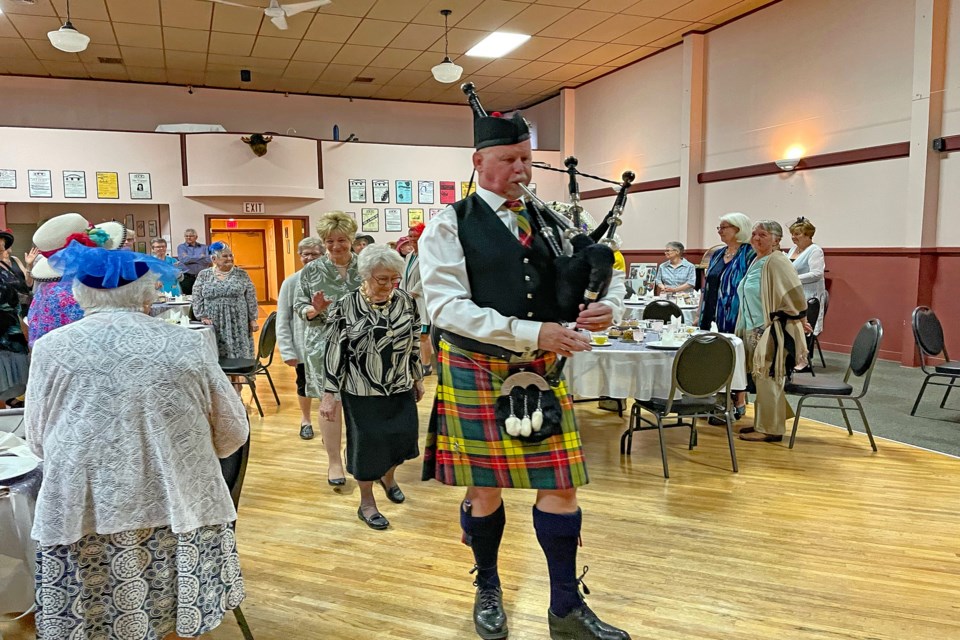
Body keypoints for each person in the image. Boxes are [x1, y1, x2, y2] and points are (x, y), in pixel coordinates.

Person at [419, 110, 631, 640]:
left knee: (561, 487)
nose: (520, 170)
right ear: (479, 161)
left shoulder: (552, 220)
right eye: (509, 160)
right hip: (477, 368)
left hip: (542, 369)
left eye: (527, 161)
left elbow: (601, 275)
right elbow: (445, 307)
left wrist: (609, 307)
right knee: (485, 490)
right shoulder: (450, 223)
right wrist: (532, 332)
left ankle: (565, 607)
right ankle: (488, 587)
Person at [25, 244, 249, 640]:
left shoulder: (50, 349)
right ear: (149, 291)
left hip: (86, 509)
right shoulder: (188, 343)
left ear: (80, 292)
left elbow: (38, 440)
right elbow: (232, 429)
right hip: (174, 505)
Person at [319, 245, 424, 530]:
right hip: (361, 389)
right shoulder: (346, 306)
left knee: (402, 438)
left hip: (399, 385)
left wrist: (417, 377)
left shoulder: (405, 301)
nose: (389, 285)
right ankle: (367, 501)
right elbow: (333, 352)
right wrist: (329, 394)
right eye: (382, 279)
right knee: (367, 445)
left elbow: (414, 341)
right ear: (366, 276)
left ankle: (388, 477)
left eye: (393, 279)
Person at [294, 212, 363, 487]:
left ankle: (359, 456)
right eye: (330, 241)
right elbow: (299, 306)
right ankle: (334, 461)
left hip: (362, 343)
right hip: (323, 344)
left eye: (342, 240)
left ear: (352, 239)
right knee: (330, 403)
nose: (336, 246)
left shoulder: (366, 266)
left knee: (360, 403)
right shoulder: (311, 270)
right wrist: (315, 309)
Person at [735, 220, 808, 443]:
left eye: (763, 235)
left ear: (776, 239)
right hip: (751, 326)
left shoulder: (777, 261)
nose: (756, 238)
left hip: (769, 329)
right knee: (760, 377)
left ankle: (771, 429)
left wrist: (797, 317)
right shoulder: (757, 260)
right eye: (754, 234)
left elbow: (795, 293)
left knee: (768, 376)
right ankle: (765, 421)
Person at [277, 237, 325, 440]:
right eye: (305, 254)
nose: (310, 258)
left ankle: (329, 423)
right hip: (303, 346)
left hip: (329, 345)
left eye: (314, 254)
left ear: (323, 256)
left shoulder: (330, 279)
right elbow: (283, 318)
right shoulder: (291, 282)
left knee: (330, 386)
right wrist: (287, 350)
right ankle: (306, 420)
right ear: (299, 257)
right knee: (303, 383)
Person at [193, 242, 259, 359]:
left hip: (238, 321)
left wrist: (253, 319)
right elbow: (197, 296)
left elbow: (251, 297)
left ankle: (238, 375)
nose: (229, 258)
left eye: (231, 255)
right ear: (214, 259)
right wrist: (202, 316)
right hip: (213, 321)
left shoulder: (241, 274)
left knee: (239, 354)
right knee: (216, 354)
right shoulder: (204, 275)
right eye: (225, 256)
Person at [399, 222, 434, 375]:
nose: (413, 239)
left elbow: (428, 277)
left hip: (421, 299)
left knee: (423, 334)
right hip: (408, 299)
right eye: (411, 236)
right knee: (412, 333)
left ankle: (426, 365)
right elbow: (404, 276)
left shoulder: (429, 254)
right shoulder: (409, 256)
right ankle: (416, 362)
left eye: (416, 236)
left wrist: (413, 292)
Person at [787, 217, 827, 335]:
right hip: (794, 294)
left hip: (808, 296)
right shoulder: (793, 249)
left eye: (797, 234)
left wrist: (793, 279)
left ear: (808, 235)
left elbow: (817, 274)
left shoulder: (815, 250)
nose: (793, 237)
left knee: (804, 331)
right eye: (792, 234)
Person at [0, 229, 37, 313]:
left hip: (26, 309)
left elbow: (28, 283)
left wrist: (29, 264)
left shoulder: (15, 259)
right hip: (11, 315)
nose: (5, 246)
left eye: (4, 244)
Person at [176, 228, 210, 294]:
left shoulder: (204, 247)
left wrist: (190, 258)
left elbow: (208, 260)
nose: (188, 237)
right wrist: (200, 257)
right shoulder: (181, 247)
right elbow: (184, 260)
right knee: (187, 298)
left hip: (202, 277)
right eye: (186, 236)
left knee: (203, 295)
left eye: (191, 236)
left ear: (196, 237)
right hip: (187, 277)